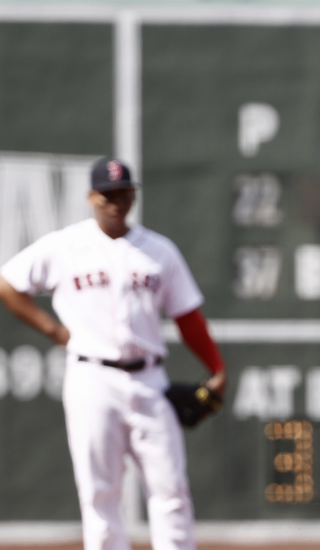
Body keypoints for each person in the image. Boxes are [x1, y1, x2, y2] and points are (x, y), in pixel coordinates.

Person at [0, 157, 226, 550]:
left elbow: (187, 315)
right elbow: (9, 284)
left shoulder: (159, 251)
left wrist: (217, 367)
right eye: (108, 194)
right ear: (91, 197)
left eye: (124, 193)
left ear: (133, 195)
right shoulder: (65, 245)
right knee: (100, 493)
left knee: (171, 488)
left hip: (150, 379)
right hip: (92, 378)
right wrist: (52, 329)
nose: (117, 201)